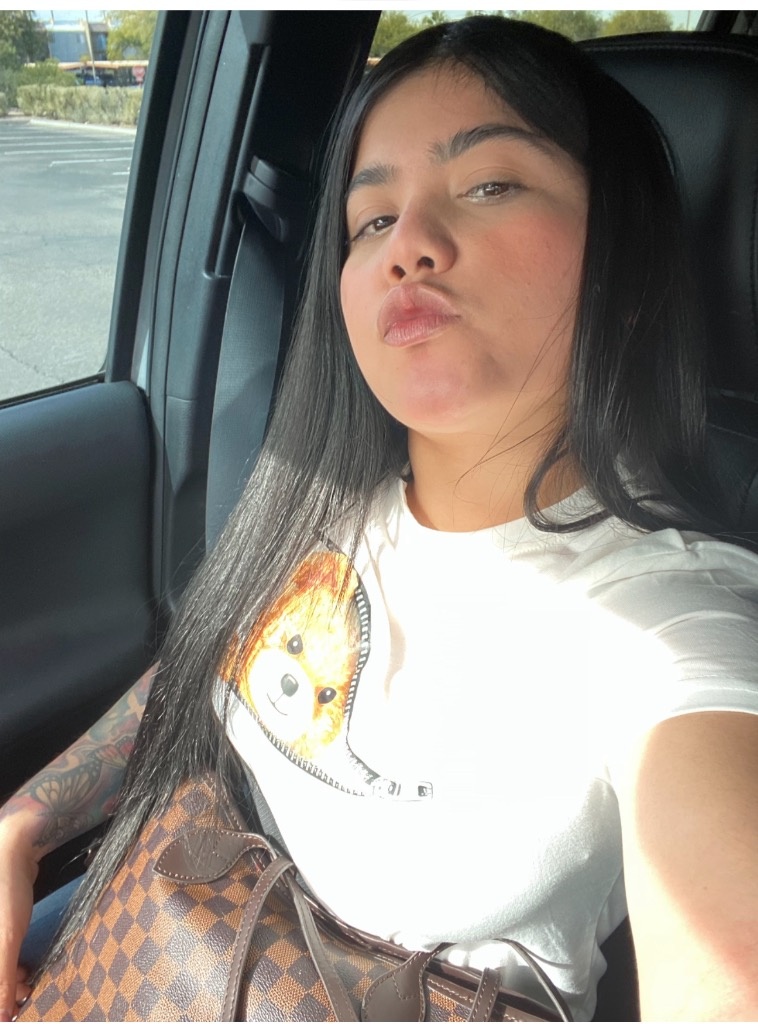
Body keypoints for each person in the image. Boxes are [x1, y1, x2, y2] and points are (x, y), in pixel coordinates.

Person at [2, 14, 758, 1022]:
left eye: (489, 184)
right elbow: (206, 670)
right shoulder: (321, 500)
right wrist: (25, 822)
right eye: (370, 220)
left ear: (626, 265)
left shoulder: (665, 625)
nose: (409, 245)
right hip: (151, 945)